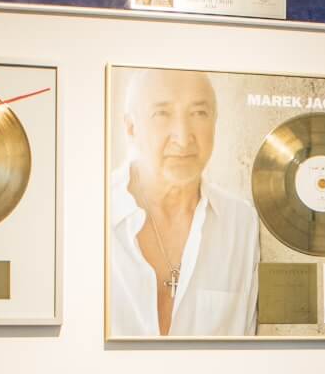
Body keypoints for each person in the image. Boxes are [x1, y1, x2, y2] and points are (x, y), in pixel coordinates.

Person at [109, 69, 259, 337]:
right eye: (162, 114)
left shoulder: (241, 222)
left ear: (215, 123)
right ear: (131, 127)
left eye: (199, 113)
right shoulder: (92, 211)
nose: (183, 137)